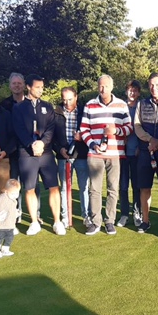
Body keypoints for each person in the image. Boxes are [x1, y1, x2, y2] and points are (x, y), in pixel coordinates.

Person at [12, 74, 65, 236]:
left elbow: (50, 128)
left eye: (42, 87)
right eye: (37, 87)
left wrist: (42, 143)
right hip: (27, 154)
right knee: (29, 189)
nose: (41, 90)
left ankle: (57, 222)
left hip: (46, 153)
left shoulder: (48, 107)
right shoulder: (19, 108)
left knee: (54, 187)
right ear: (28, 87)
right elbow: (19, 129)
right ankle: (34, 222)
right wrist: (31, 144)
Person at [79, 75, 133, 236]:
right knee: (94, 189)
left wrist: (115, 131)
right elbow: (84, 129)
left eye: (106, 86)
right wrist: (93, 144)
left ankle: (109, 221)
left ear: (111, 86)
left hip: (115, 154)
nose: (103, 89)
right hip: (95, 154)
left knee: (113, 189)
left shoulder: (121, 105)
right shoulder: (90, 105)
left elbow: (129, 128)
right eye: (100, 86)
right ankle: (96, 222)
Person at [134, 73, 158, 233]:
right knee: (144, 187)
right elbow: (137, 125)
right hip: (145, 151)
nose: (154, 88)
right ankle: (145, 220)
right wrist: (151, 140)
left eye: (157, 84)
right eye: (151, 84)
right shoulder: (142, 104)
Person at [53, 86, 90, 228]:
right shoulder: (56, 113)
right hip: (63, 156)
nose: (67, 102)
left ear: (76, 97)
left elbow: (90, 131)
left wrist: (83, 137)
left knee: (84, 187)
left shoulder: (84, 112)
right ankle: (65, 218)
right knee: (64, 188)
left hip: (81, 155)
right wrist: (59, 149)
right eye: (64, 99)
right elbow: (52, 136)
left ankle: (86, 216)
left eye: (70, 99)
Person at [117, 80, 142, 228]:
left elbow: (142, 127)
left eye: (135, 90)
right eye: (129, 90)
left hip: (136, 152)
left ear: (138, 92)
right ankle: (124, 214)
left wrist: (139, 145)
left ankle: (137, 213)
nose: (132, 93)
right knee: (123, 185)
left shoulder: (141, 107)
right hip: (121, 152)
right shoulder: (120, 107)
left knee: (137, 185)